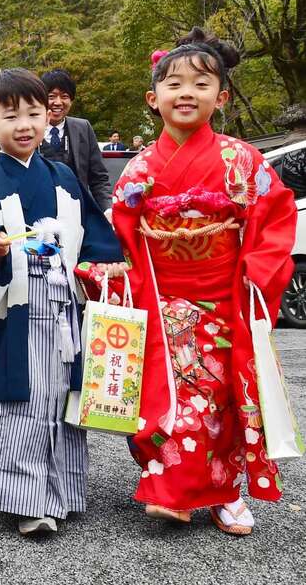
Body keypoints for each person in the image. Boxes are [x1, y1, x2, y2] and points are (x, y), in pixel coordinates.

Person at [110, 28, 296, 535]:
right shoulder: (140, 169)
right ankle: (174, 489)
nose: (186, 92)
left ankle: (224, 492)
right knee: (169, 398)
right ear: (154, 100)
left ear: (222, 96)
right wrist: (112, 271)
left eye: (201, 82)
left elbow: (277, 218)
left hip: (224, 298)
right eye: (173, 83)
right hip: (163, 300)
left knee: (224, 399)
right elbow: (121, 235)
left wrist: (258, 272)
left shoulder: (243, 160)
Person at [0, 68, 123, 535]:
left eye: (33, 113)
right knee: (20, 399)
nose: (24, 124)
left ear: (49, 117)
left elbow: (92, 236)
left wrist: (105, 263)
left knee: (64, 398)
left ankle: (62, 491)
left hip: (63, 305)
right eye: (10, 115)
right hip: (15, 311)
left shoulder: (63, 176)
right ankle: (25, 499)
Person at [38, 69, 112, 210]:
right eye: (51, 96)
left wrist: (108, 209)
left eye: (64, 96)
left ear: (71, 100)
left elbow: (99, 179)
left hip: (77, 213)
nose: (58, 102)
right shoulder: (30, 128)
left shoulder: (83, 128)